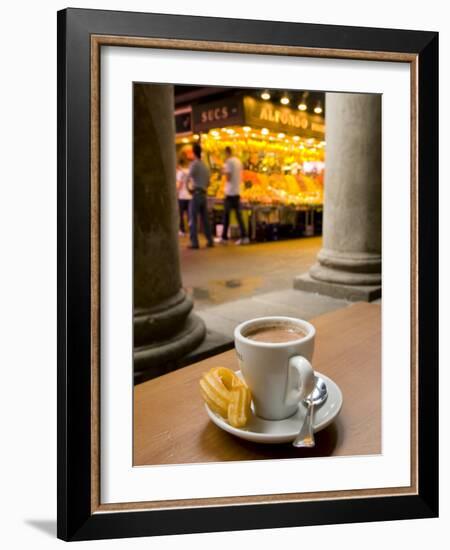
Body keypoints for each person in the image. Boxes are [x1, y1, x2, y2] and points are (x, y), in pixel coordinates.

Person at [217, 146, 249, 245]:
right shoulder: (238, 162)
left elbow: (228, 178)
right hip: (237, 191)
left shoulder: (228, 162)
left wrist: (223, 172)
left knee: (226, 215)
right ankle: (244, 236)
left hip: (230, 192)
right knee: (238, 215)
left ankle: (224, 237)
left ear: (227, 153)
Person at [186, 143, 214, 249]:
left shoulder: (194, 164)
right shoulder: (205, 166)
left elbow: (188, 178)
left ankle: (195, 243)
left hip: (196, 193)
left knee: (193, 218)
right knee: (205, 219)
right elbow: (208, 182)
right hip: (204, 194)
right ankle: (210, 240)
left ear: (193, 152)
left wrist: (189, 189)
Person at [176, 157, 191, 236]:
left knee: (181, 214)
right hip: (190, 196)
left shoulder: (180, 172)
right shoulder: (189, 171)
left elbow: (179, 185)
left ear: (179, 164)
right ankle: (191, 230)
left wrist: (176, 192)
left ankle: (182, 230)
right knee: (189, 214)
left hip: (182, 196)